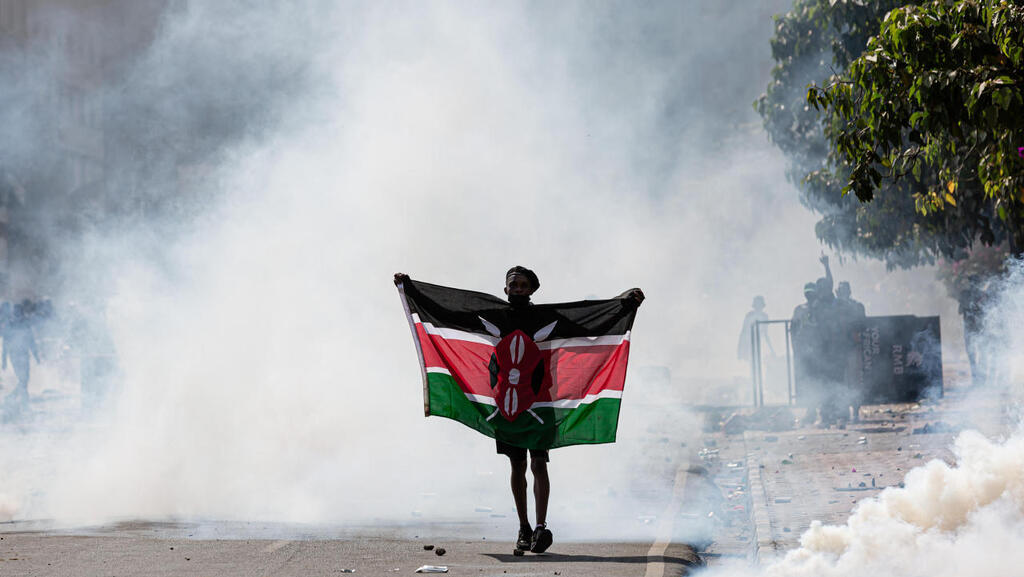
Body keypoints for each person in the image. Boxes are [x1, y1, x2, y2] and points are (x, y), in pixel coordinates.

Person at [395, 267, 644, 554]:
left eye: (523, 285)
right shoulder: (495, 314)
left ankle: (541, 525)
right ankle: (523, 527)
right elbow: (449, 311)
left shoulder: (545, 318)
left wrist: (626, 302)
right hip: (506, 405)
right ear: (505, 289)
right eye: (513, 284)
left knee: (538, 464)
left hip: (539, 403)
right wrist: (411, 289)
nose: (518, 289)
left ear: (532, 290)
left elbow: (588, 321)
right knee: (517, 466)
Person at [737, 295, 774, 363]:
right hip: (748, 342)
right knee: (751, 362)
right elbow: (744, 331)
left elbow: (765, 333)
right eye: (757, 304)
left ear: (762, 305)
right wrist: (740, 348)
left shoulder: (765, 316)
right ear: (754, 305)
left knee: (760, 361)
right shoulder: (749, 315)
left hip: (759, 343)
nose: (758, 306)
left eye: (759, 304)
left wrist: (771, 349)